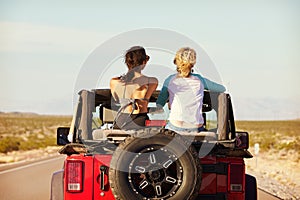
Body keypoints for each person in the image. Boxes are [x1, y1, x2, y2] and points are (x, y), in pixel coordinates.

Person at [156, 47, 226, 132]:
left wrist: (170, 101)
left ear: (176, 62)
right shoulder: (200, 80)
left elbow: (159, 103)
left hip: (176, 126)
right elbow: (221, 89)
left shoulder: (170, 80)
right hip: (196, 127)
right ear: (193, 63)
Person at [110, 46, 158, 129]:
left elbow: (116, 99)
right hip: (139, 120)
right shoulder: (152, 82)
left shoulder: (114, 82)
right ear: (144, 62)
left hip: (121, 121)